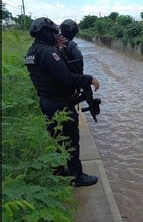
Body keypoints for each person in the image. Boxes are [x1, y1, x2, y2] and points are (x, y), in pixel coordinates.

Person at [25, 17, 100, 187]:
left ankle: (58, 170)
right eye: (53, 33)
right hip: (59, 103)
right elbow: (66, 78)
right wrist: (89, 79)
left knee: (57, 137)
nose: (57, 35)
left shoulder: (32, 51)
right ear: (47, 33)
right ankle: (77, 176)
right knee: (71, 139)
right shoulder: (50, 53)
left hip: (46, 101)